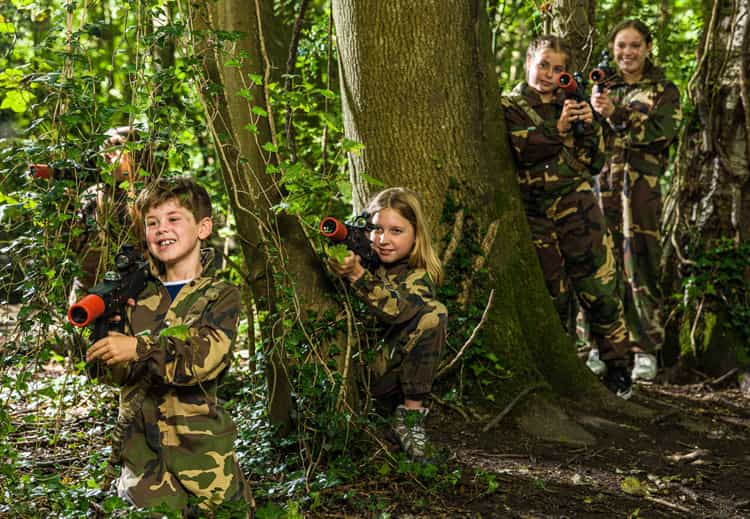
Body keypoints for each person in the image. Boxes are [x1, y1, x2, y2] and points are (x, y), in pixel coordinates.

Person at [85, 177, 253, 516]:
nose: (162, 229)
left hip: (203, 454)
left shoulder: (220, 295)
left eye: (174, 219)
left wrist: (137, 348)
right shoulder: (135, 295)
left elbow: (204, 360)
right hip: (142, 456)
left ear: (203, 228)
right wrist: (106, 332)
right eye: (152, 222)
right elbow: (109, 374)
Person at [501, 35, 632, 399]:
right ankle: (564, 368)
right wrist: (555, 130)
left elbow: (595, 161)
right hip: (535, 214)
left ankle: (619, 369)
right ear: (529, 62)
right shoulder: (509, 105)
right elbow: (519, 149)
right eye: (543, 65)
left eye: (558, 68)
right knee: (551, 295)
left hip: (579, 209)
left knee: (600, 289)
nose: (548, 74)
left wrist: (589, 124)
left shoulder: (572, 103)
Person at [327, 187, 448, 460]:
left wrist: (359, 276)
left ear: (416, 234)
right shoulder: (366, 258)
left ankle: (410, 417)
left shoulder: (419, 275)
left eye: (396, 231)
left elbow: (398, 311)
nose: (383, 239)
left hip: (385, 374)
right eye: (376, 229)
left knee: (434, 314)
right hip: (345, 367)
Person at [590, 20, 681, 381]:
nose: (627, 53)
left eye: (634, 46)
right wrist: (588, 114)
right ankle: (601, 347)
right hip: (602, 187)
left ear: (647, 48)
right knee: (600, 265)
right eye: (621, 46)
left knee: (641, 263)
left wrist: (617, 114)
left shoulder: (663, 89)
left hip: (641, 191)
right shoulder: (602, 86)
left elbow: (660, 134)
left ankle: (645, 350)